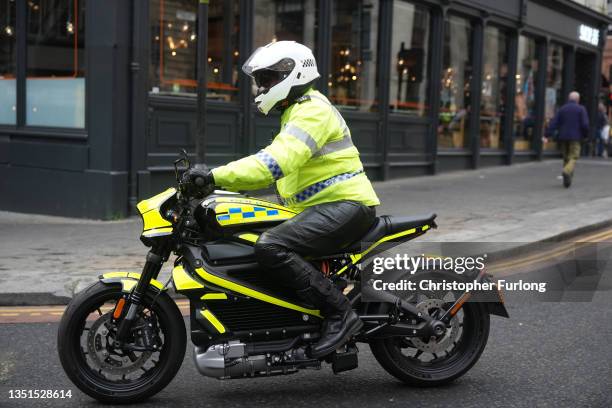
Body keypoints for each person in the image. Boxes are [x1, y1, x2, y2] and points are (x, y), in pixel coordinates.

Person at [183, 41, 380, 358]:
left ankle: (340, 313)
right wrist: (222, 194)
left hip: (347, 207)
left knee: (271, 245)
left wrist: (215, 176)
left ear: (293, 73)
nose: (261, 87)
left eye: (267, 79)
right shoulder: (297, 111)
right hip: (322, 208)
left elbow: (274, 163)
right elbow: (281, 173)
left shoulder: (312, 112)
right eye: (260, 80)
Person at [545, 91, 589, 188]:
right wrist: (585, 135)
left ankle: (567, 181)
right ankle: (566, 171)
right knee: (573, 157)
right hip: (576, 137)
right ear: (578, 100)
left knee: (566, 158)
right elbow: (585, 124)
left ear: (569, 99)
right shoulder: (581, 109)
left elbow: (554, 123)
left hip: (563, 137)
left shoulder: (562, 109)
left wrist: (547, 134)